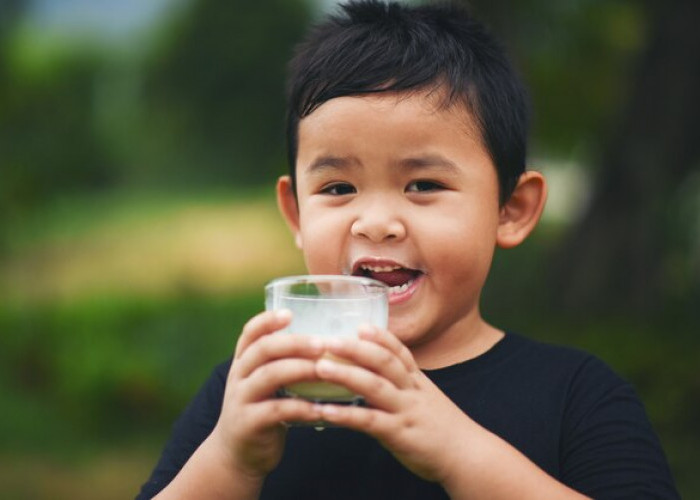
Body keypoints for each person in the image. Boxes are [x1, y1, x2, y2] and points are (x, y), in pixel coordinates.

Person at [137, 1, 680, 498]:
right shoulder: (250, 394)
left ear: (510, 209)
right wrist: (231, 459)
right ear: (297, 214)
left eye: (423, 185)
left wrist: (459, 450)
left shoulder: (575, 396)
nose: (375, 223)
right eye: (338, 189)